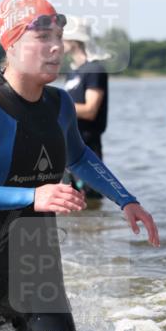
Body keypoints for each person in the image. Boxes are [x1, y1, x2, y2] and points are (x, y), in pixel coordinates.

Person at [0, 0, 160, 331]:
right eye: (42, 37)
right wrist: (32, 195)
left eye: (58, 36)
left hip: (38, 271)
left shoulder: (59, 104)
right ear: (11, 43)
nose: (56, 47)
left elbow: (79, 156)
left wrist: (126, 200)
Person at [62, 15, 110, 199]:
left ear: (76, 40)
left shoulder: (95, 69)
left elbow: (90, 110)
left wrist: (56, 106)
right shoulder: (72, 73)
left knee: (91, 200)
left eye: (63, 37)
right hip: (69, 146)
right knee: (72, 202)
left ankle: (98, 228)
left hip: (88, 147)